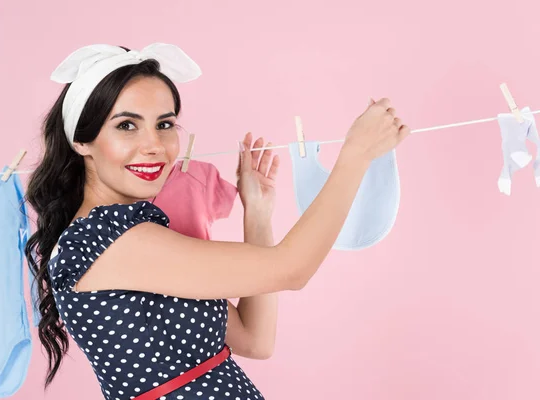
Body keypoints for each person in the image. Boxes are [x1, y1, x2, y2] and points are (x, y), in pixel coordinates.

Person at [24, 43, 410, 400]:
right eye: (127, 125)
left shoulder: (139, 233)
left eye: (164, 124)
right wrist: (356, 154)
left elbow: (255, 340)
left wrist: (256, 215)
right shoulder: (105, 240)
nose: (154, 145)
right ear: (81, 140)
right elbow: (292, 270)